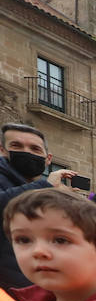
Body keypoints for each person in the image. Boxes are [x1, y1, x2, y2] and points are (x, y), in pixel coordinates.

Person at [1, 123, 82, 291]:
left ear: (48, 159)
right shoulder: (40, 187)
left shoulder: (42, 190)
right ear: (2, 150)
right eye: (16, 146)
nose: (27, 152)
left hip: (36, 290)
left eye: (35, 149)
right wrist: (44, 186)